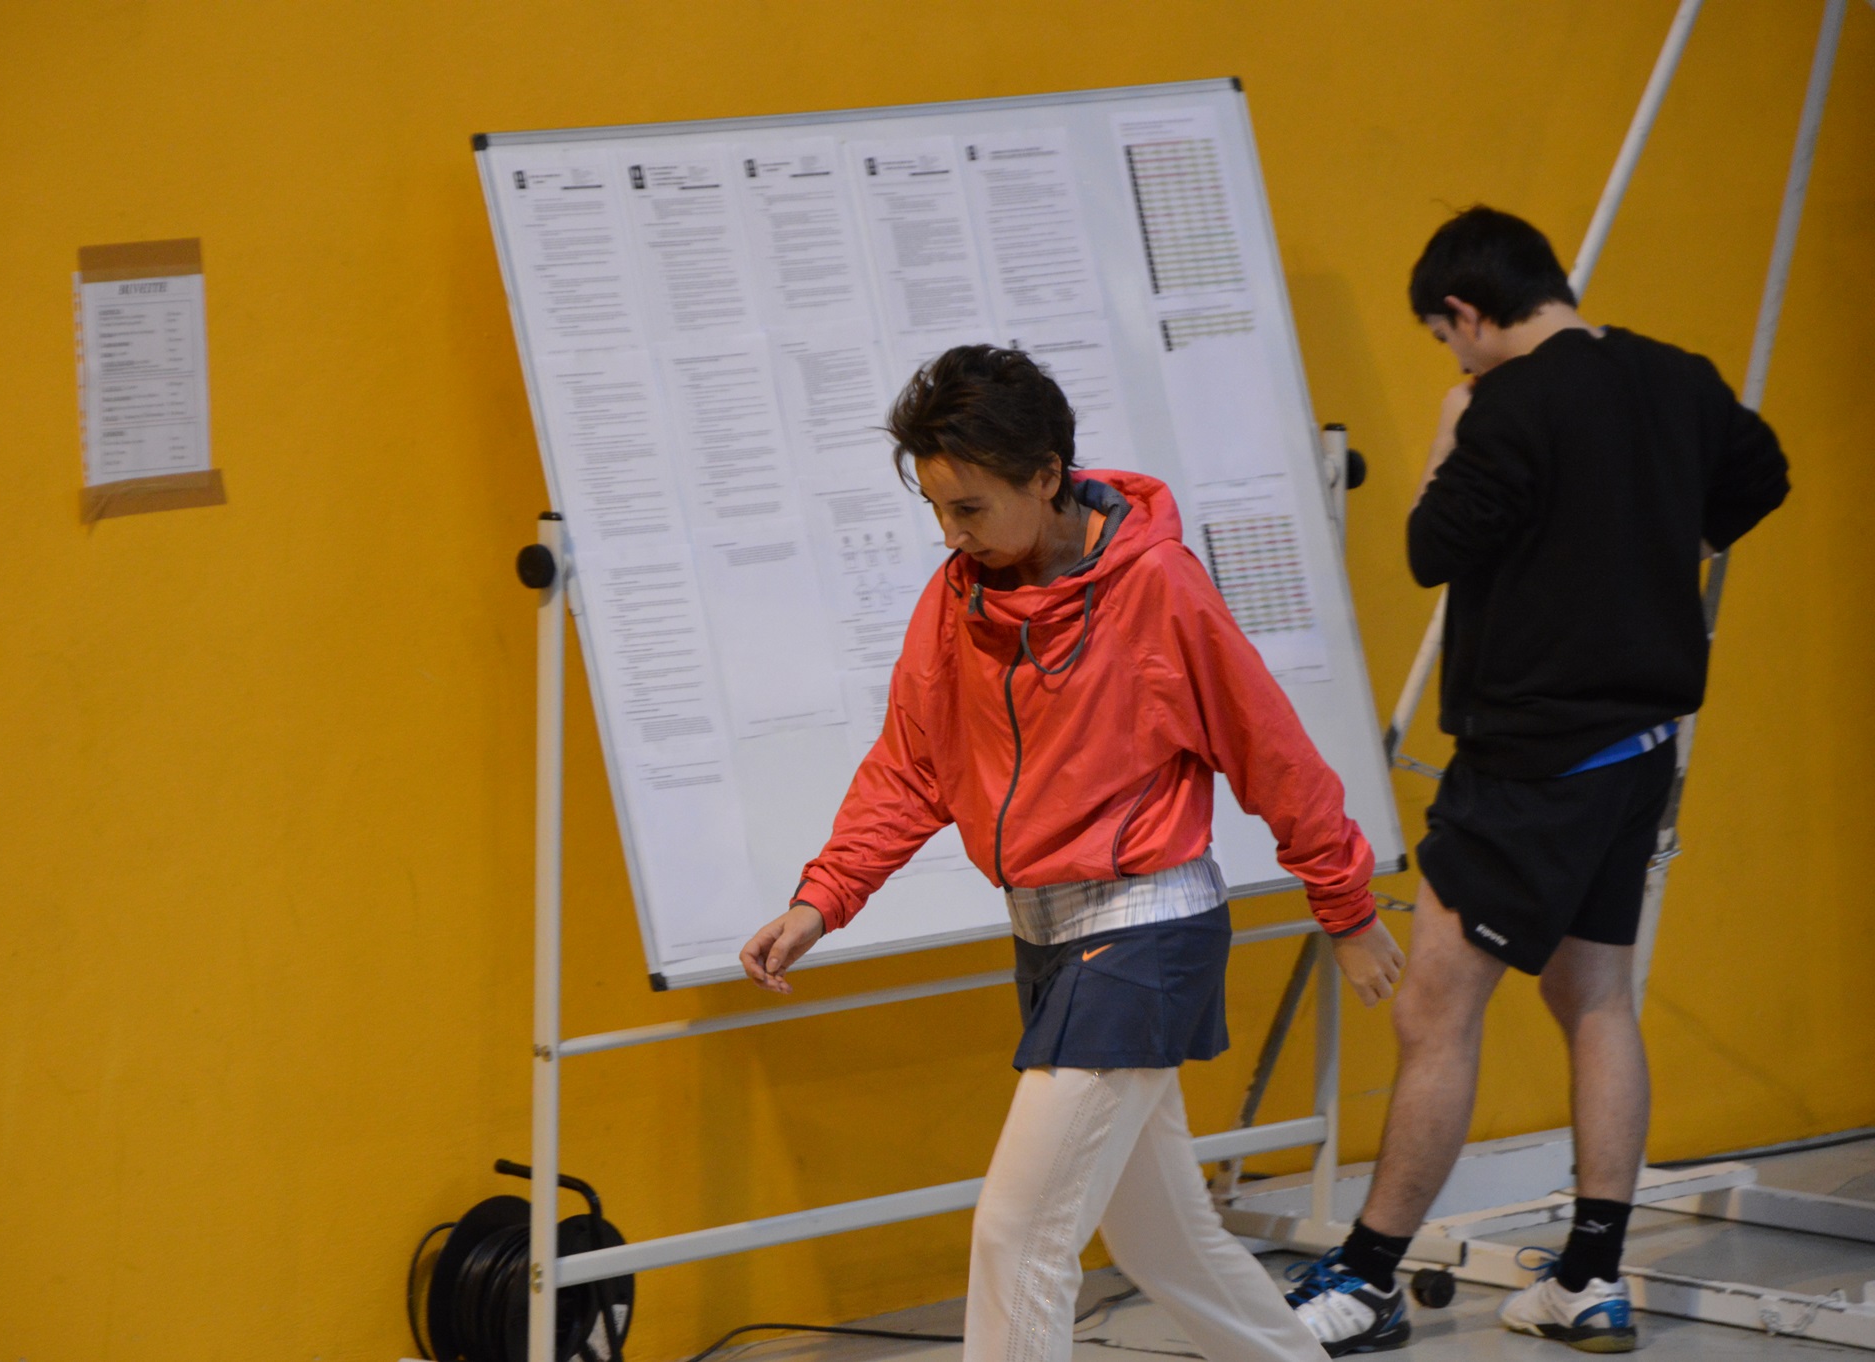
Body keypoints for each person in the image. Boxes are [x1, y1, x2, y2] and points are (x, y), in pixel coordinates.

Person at [739, 345, 1406, 1362]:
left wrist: (1346, 910)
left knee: (1016, 1240)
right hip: (1051, 943)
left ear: (1046, 474)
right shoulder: (957, 601)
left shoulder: (1156, 589)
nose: (950, 535)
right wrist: (820, 900)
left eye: (969, 508)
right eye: (936, 509)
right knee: (1166, 1245)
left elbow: (1273, 754)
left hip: (1145, 935)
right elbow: (910, 767)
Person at [1285, 206, 1791, 1355]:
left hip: (1530, 761)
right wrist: (1667, 542)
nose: (1452, 362)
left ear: (1465, 312)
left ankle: (1364, 1278)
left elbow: (1429, 549)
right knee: (1594, 998)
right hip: (1636, 751)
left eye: (1443, 341)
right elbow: (1761, 474)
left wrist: (1451, 423)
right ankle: (1588, 1280)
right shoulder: (1673, 376)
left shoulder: (1502, 405)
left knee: (1431, 1012)